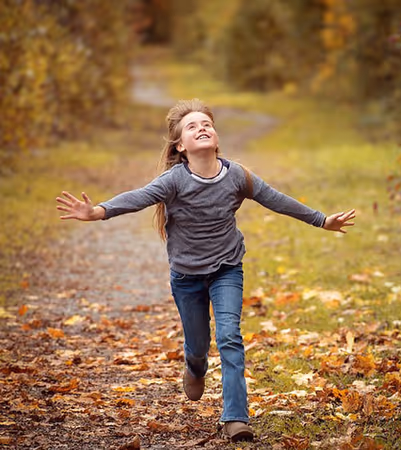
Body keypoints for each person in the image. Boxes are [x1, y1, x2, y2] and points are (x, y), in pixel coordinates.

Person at [55, 98, 356, 442]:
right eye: (192, 126)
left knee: (230, 336)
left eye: (207, 124)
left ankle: (235, 418)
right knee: (198, 346)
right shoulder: (174, 180)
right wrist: (98, 211)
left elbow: (277, 198)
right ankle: (195, 366)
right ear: (180, 146)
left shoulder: (237, 176)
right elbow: (138, 196)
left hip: (227, 267)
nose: (202, 128)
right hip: (186, 276)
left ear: (216, 136)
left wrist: (321, 220)